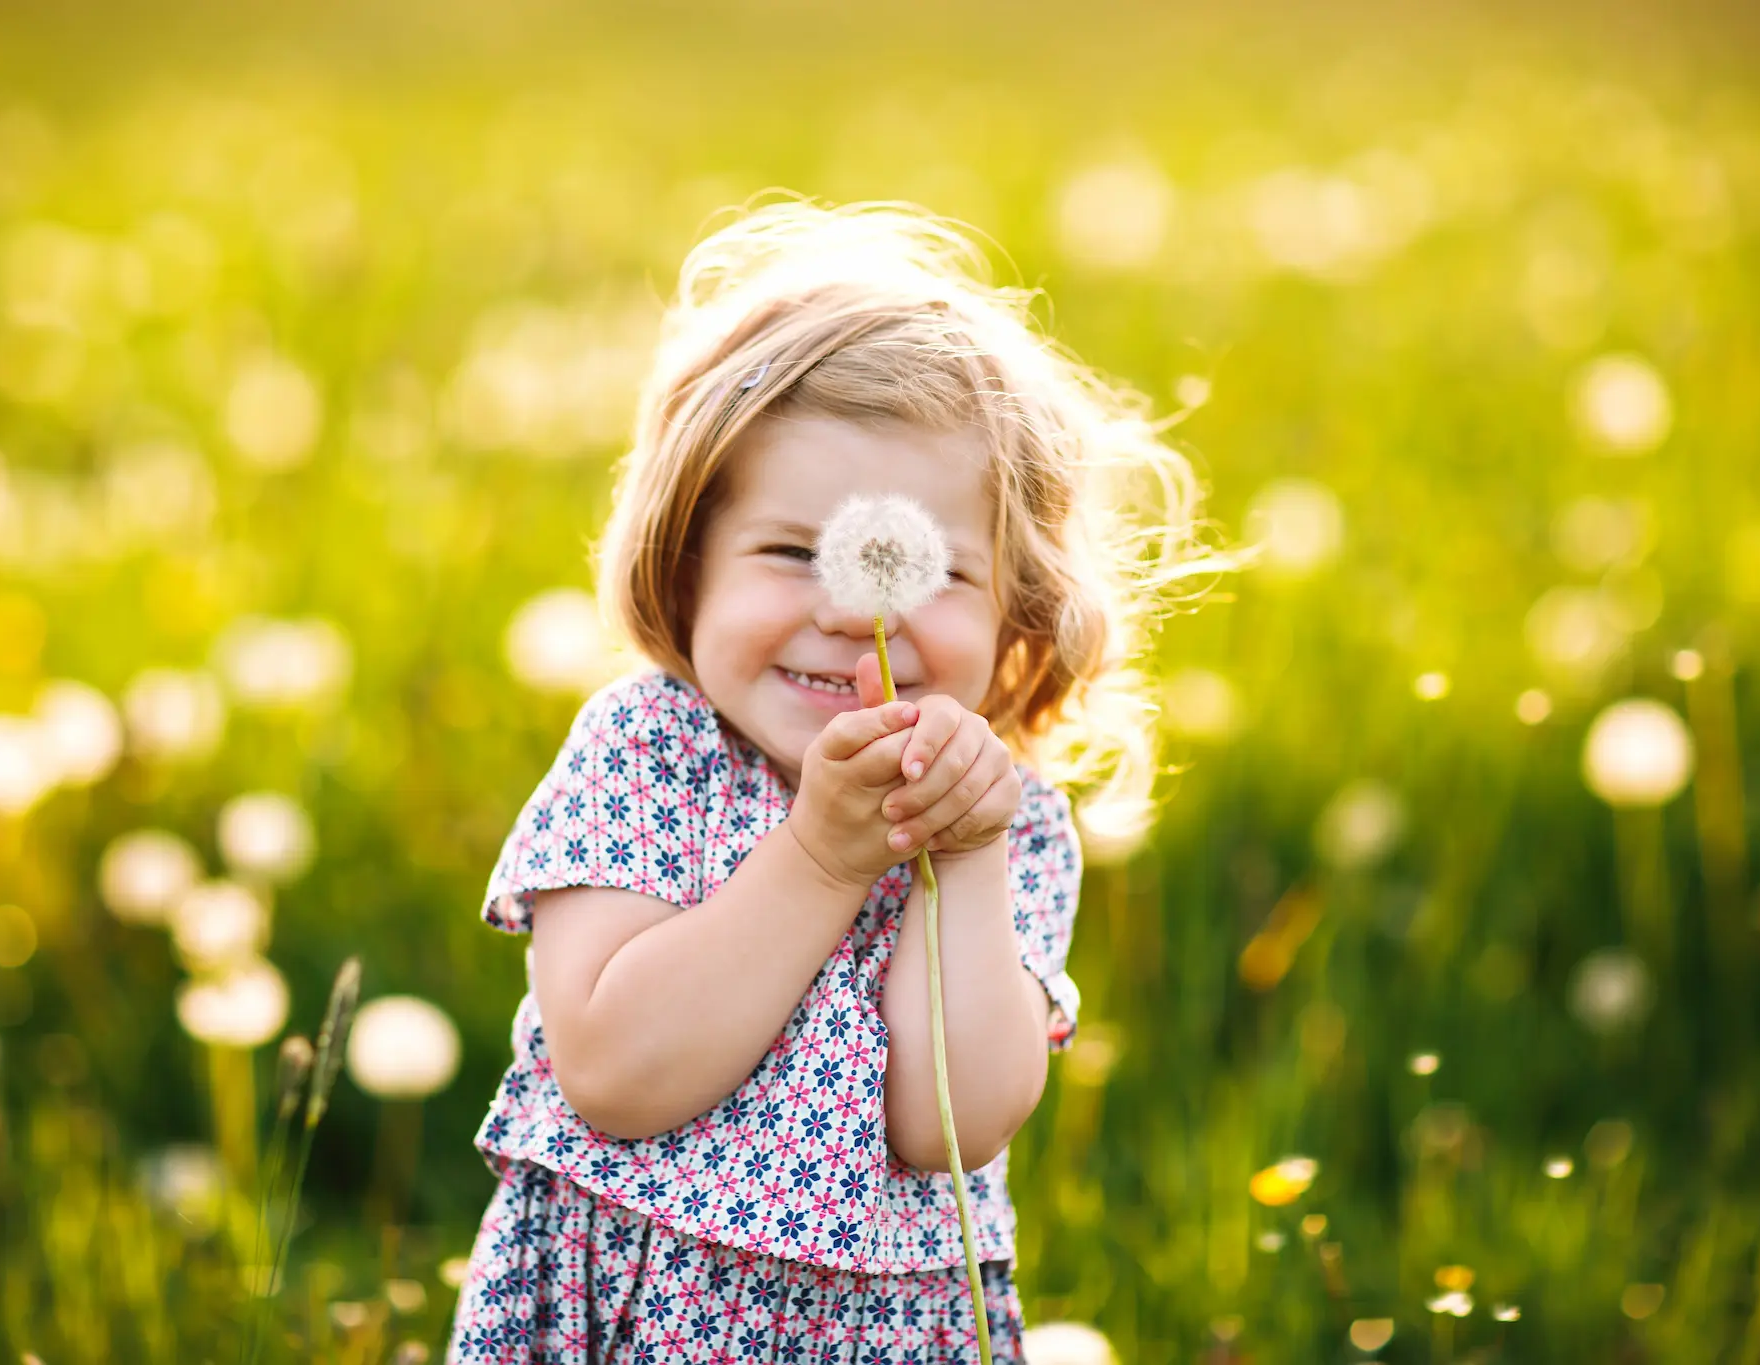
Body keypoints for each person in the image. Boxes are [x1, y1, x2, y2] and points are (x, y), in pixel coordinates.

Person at [446, 195, 1220, 1362]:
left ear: (1016, 611)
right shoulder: (649, 754)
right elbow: (612, 1072)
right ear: (686, 558)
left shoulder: (1000, 817)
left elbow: (945, 1127)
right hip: (632, 1316)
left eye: (932, 569)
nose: (857, 608)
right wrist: (818, 859)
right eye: (793, 551)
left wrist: (957, 861)